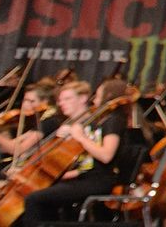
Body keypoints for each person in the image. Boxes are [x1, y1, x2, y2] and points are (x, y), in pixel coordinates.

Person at [18, 79, 128, 224]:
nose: (94, 100)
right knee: (34, 194)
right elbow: (79, 163)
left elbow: (106, 156)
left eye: (99, 96)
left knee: (34, 199)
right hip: (83, 177)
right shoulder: (89, 123)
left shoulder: (112, 120)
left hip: (97, 180)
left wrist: (80, 137)